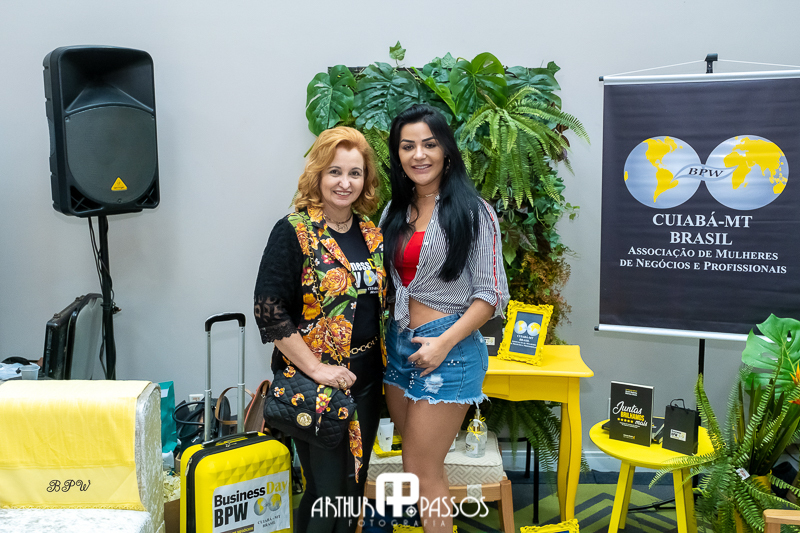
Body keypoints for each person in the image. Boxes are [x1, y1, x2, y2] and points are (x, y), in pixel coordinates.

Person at [380, 104, 509, 532]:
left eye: (429, 144)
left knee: (422, 470)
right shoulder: (393, 212)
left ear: (447, 150)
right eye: (408, 146)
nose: (419, 154)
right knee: (415, 465)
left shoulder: (474, 211)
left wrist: (443, 343)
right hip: (400, 345)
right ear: (398, 155)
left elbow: (491, 295)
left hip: (448, 350)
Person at [254, 126, 386, 533]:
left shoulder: (371, 233)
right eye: (335, 172)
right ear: (318, 175)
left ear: (365, 179)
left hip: (366, 379)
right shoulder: (294, 230)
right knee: (328, 494)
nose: (345, 182)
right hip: (316, 383)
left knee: (351, 489)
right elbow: (268, 309)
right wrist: (316, 368)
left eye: (355, 173)